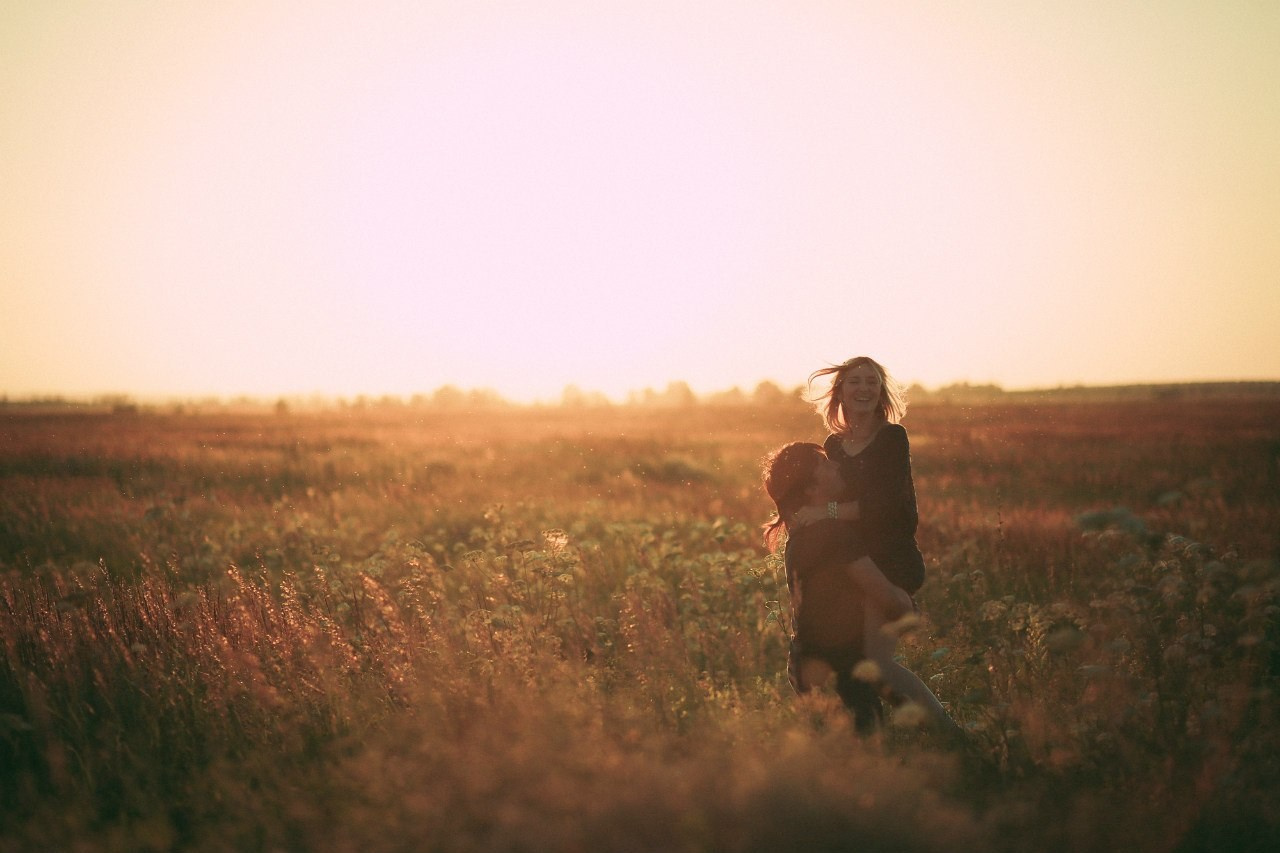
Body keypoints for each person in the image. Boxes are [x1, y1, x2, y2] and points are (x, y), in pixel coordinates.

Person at [781, 355, 960, 732]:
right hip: (851, 563)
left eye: (872, 382)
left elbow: (886, 508)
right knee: (850, 664)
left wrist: (828, 512)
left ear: (881, 392)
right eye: (855, 382)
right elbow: (819, 490)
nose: (864, 389)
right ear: (840, 392)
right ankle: (883, 734)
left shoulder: (892, 439)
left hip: (891, 561)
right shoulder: (834, 444)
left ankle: (948, 732)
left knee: (876, 663)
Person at [762, 441, 912, 732]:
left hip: (804, 665)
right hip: (841, 671)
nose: (836, 465)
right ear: (810, 489)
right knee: (866, 760)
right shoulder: (832, 534)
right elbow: (891, 600)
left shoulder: (800, 535)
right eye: (824, 464)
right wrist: (907, 601)